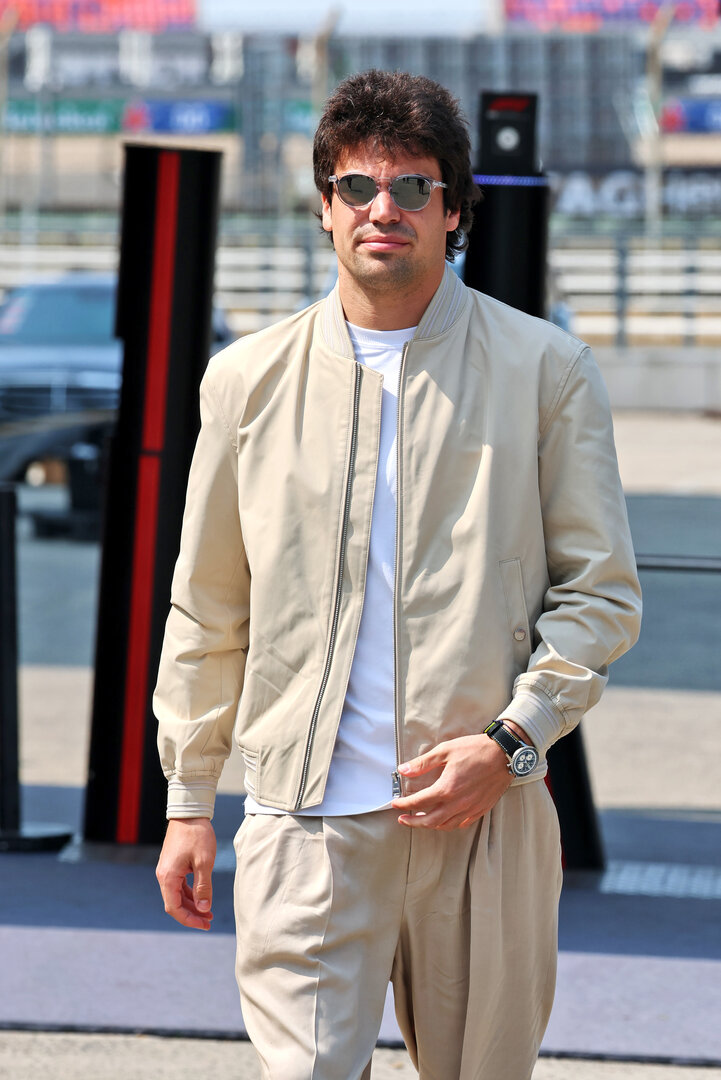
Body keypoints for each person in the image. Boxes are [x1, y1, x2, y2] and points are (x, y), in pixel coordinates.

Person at [154, 69, 641, 1080]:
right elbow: (208, 605)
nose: (385, 209)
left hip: (482, 818)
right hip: (304, 820)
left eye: (413, 188)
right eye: (357, 186)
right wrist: (190, 800)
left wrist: (511, 743)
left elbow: (599, 595)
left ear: (453, 209)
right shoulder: (245, 380)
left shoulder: (543, 370)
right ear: (325, 206)